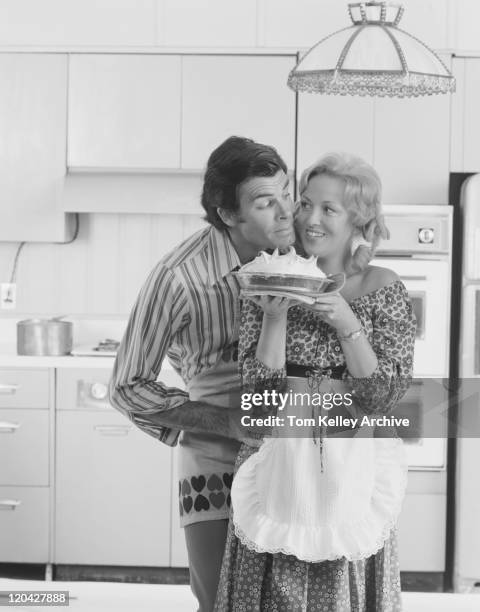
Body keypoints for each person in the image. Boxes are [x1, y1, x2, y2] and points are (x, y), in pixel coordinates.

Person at [214, 152, 416, 611]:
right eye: (305, 203)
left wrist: (348, 323)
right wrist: (274, 318)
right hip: (280, 467)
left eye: (329, 209)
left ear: (358, 219)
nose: (309, 218)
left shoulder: (383, 288)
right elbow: (258, 399)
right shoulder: (268, 276)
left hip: (350, 473)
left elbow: (383, 396)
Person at [108, 135, 295, 612]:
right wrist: (227, 422)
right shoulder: (180, 278)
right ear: (228, 214)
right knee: (219, 597)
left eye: (286, 193)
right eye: (265, 202)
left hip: (291, 443)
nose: (285, 212)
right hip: (216, 454)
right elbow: (128, 387)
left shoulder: (299, 259)